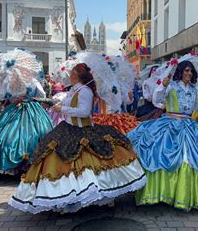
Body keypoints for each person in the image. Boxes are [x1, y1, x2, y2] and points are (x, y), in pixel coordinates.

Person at [9, 63, 146, 214]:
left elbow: (84, 112)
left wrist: (63, 109)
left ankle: (96, 197)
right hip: (68, 128)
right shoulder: (74, 89)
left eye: (72, 73)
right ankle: (69, 199)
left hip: (84, 131)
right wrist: (54, 104)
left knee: (88, 166)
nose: (69, 75)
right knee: (60, 161)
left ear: (76, 75)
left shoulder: (86, 91)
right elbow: (68, 106)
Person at [127, 61, 198, 211]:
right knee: (160, 155)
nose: (189, 74)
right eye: (186, 71)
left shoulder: (194, 90)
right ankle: (161, 192)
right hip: (170, 123)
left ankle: (182, 194)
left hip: (189, 125)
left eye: (191, 71)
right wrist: (162, 86)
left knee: (195, 157)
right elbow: (156, 100)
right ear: (180, 72)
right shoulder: (171, 85)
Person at [0, 49, 54, 176]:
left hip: (13, 110)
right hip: (32, 110)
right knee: (35, 135)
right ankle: (30, 166)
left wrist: (15, 99)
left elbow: (4, 98)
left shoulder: (9, 83)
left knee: (5, 136)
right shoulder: (32, 81)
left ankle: (9, 166)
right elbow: (42, 95)